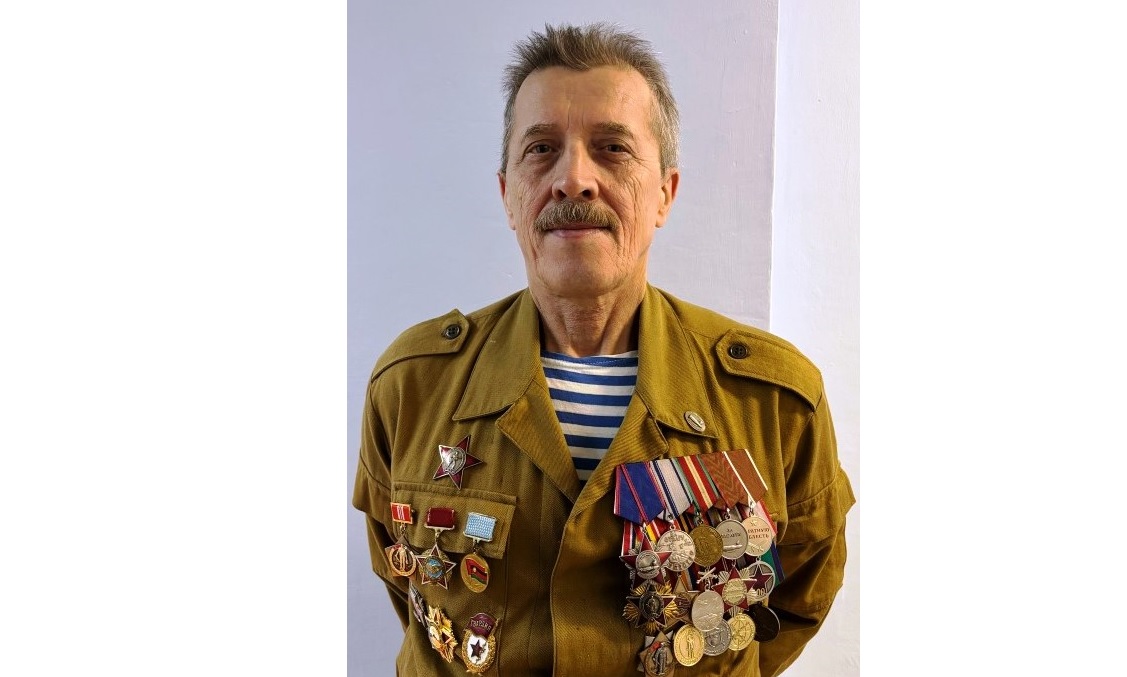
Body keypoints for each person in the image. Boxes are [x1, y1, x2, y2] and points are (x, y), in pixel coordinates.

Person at [352, 22, 855, 676]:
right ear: (508, 196)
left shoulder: (773, 401)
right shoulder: (411, 388)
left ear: (665, 194)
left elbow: (796, 595)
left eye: (612, 148)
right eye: (540, 149)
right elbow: (412, 588)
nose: (573, 179)